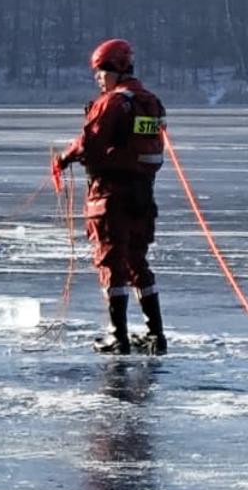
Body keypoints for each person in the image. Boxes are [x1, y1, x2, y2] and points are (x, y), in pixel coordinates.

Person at [55, 39, 167, 355]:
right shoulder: (151, 102)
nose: (98, 79)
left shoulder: (112, 104)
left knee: (110, 262)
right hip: (143, 196)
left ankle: (118, 336)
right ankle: (155, 335)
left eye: (101, 72)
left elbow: (89, 144)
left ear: (115, 69)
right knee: (137, 261)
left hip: (111, 196)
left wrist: (64, 157)